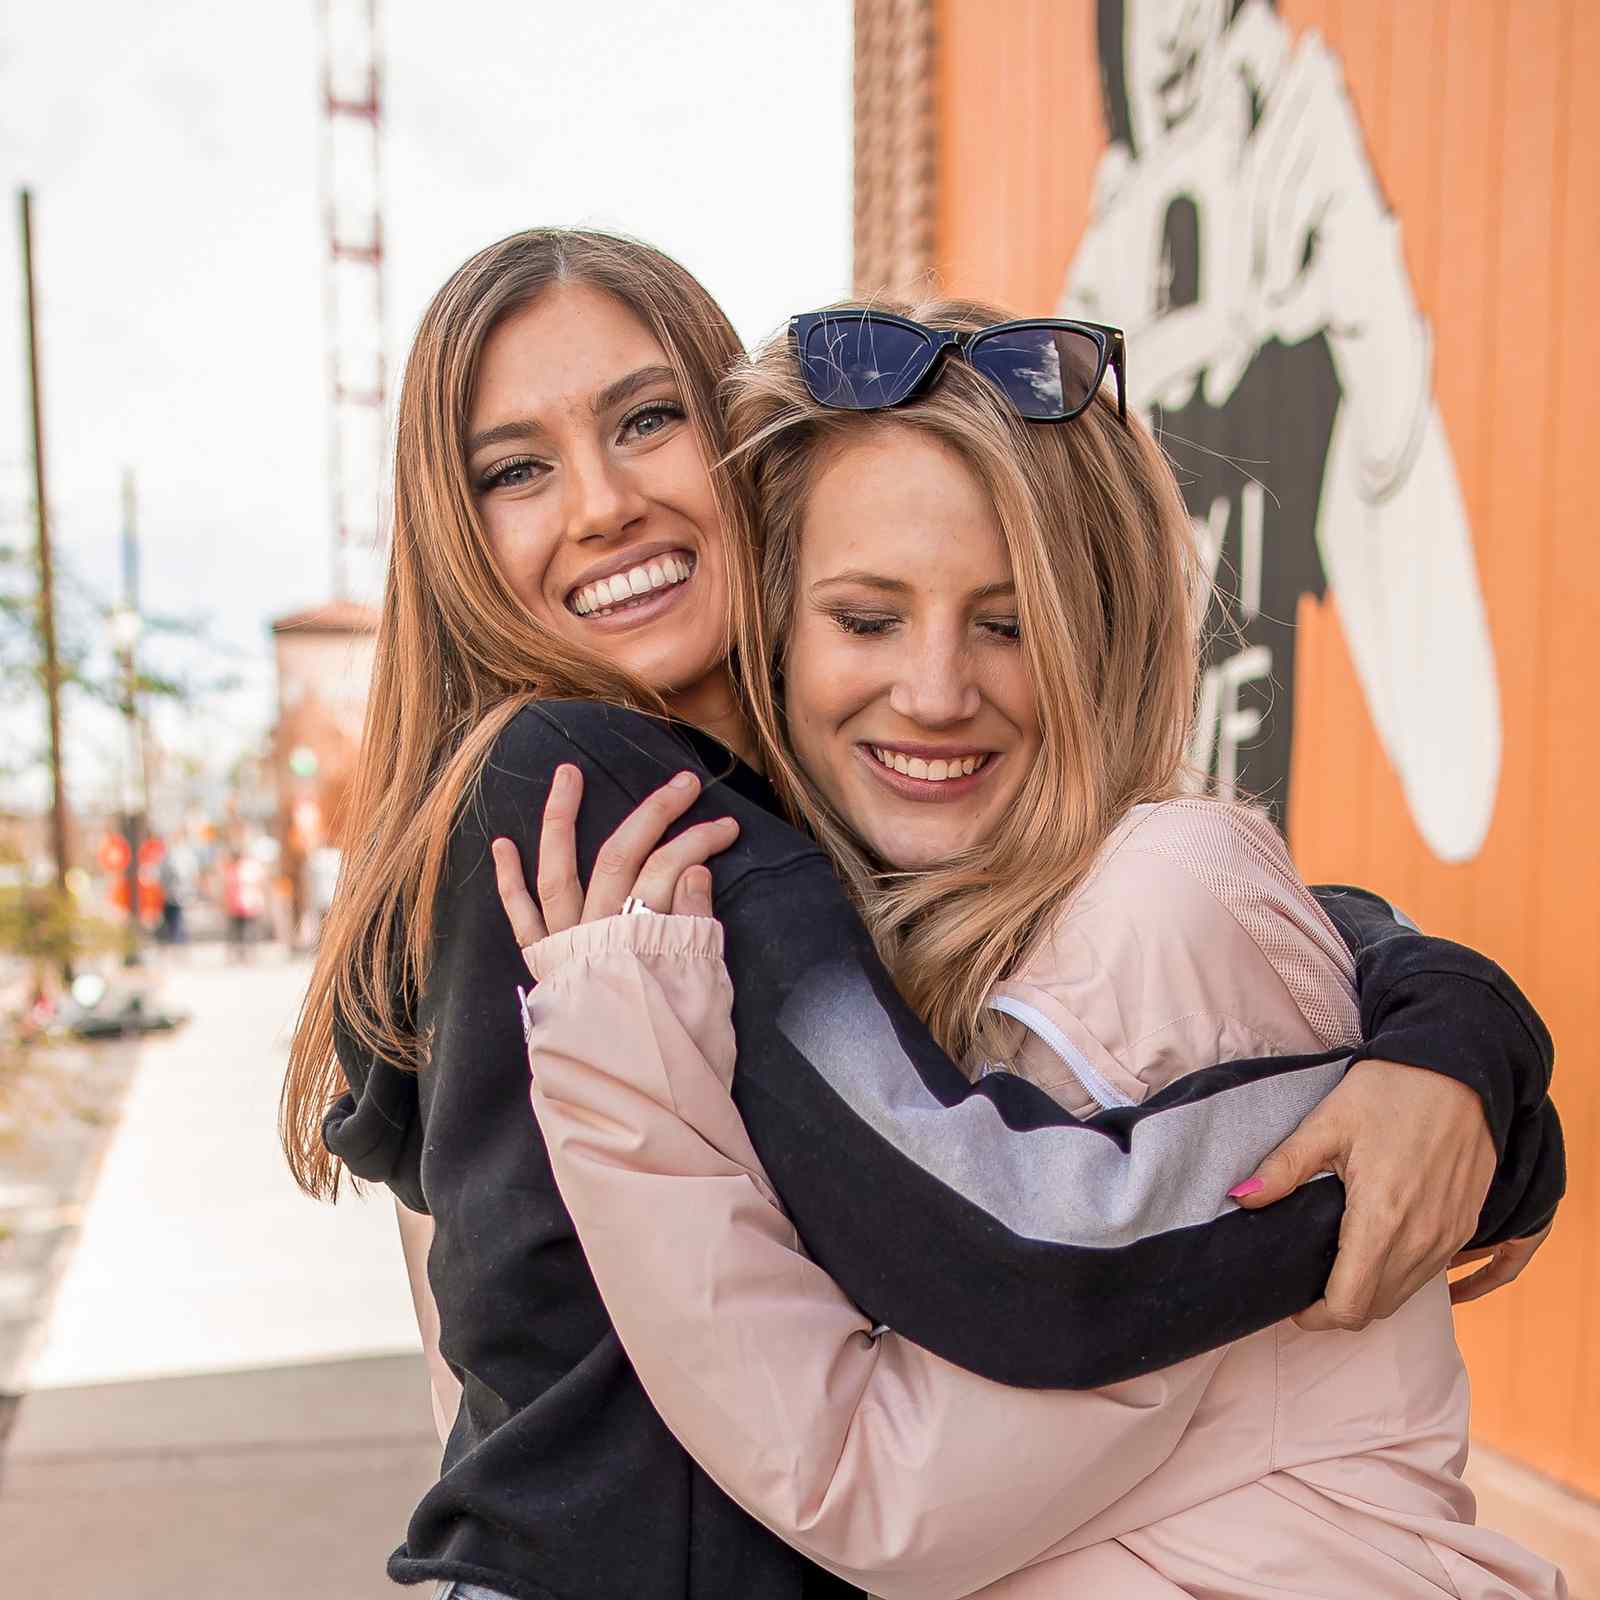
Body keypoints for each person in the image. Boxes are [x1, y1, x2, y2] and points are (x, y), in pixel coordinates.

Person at [280, 231, 1557, 1600]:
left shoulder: (835, 861)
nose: (600, 506)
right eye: (515, 468)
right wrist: (1435, 1133)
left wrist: (1454, 1050)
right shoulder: (596, 802)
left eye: (647, 420)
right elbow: (995, 1271)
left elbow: (1234, 935)